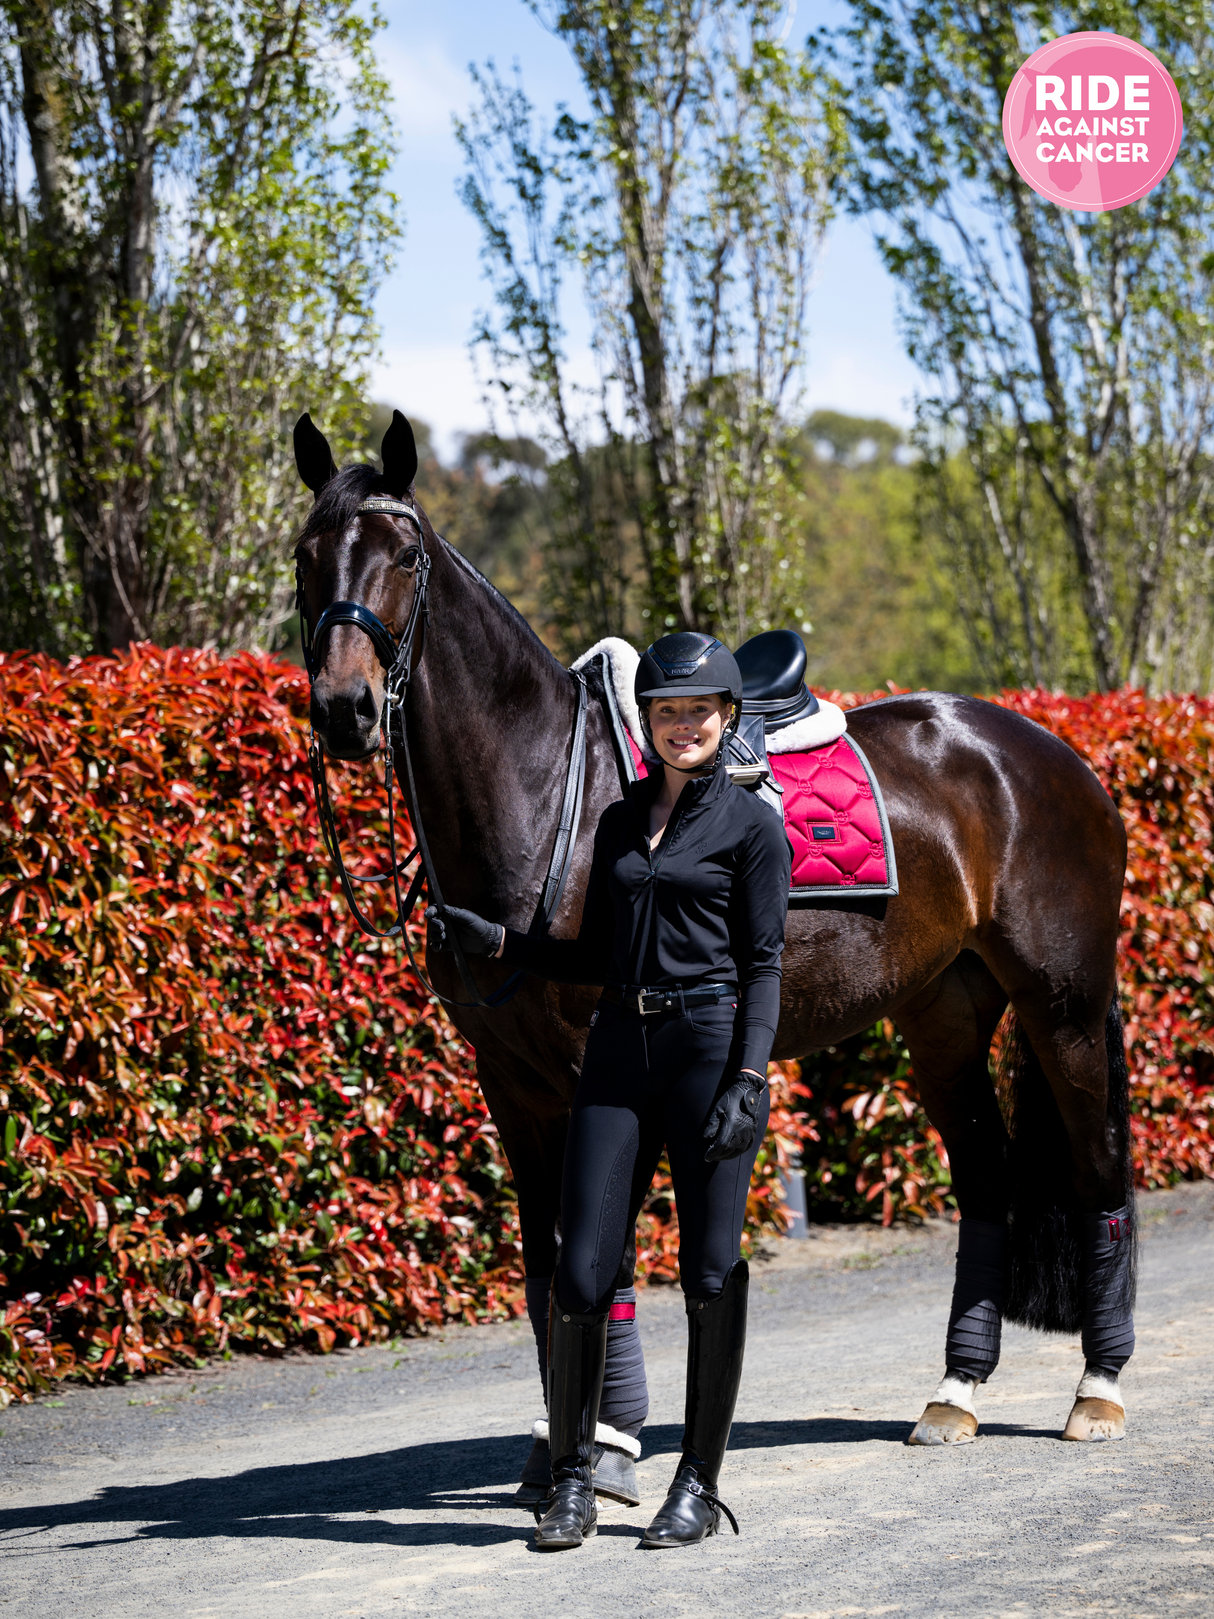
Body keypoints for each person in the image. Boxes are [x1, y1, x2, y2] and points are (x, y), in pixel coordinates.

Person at [428, 632, 791, 1551]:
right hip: (620, 1047)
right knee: (583, 1267)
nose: (683, 725)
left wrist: (750, 1076)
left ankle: (698, 1484)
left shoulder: (753, 828)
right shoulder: (619, 820)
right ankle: (575, 1480)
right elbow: (593, 956)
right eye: (667, 711)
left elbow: (765, 965)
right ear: (649, 721)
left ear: (727, 718)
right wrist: (503, 941)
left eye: (699, 711)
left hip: (709, 1045)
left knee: (708, 1271)